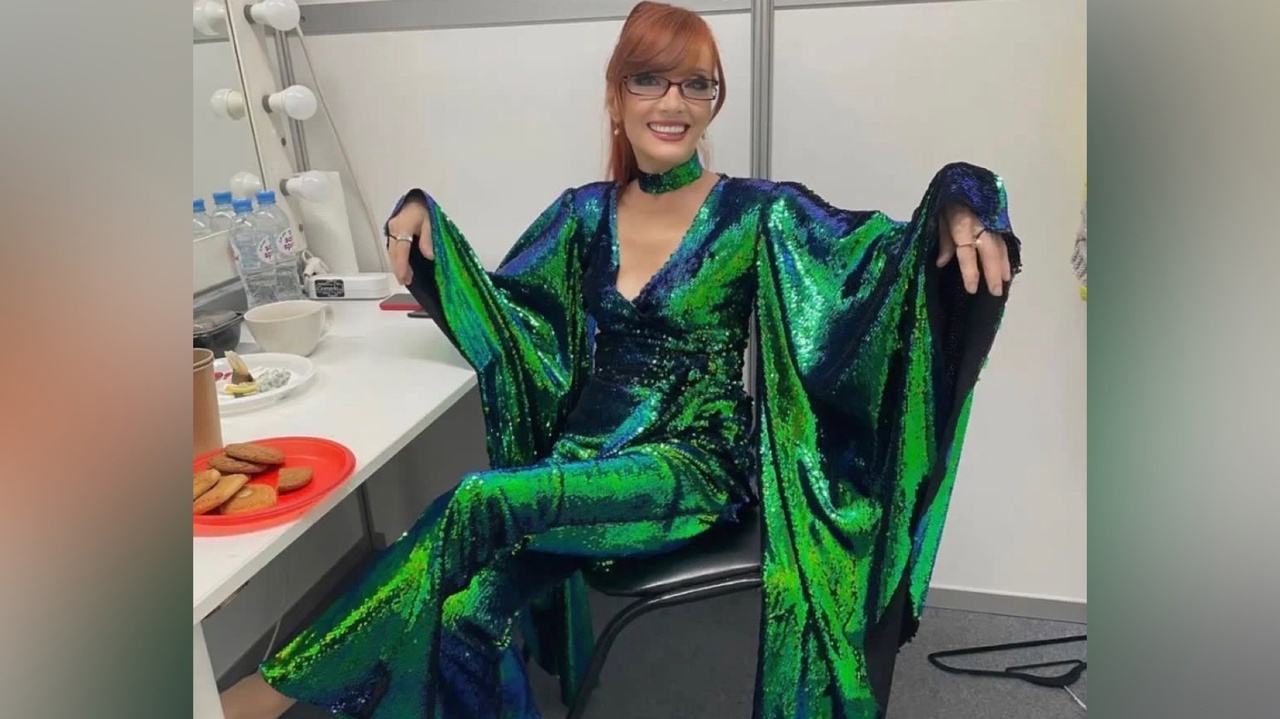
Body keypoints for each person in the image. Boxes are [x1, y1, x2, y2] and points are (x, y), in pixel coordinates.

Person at [219, 2, 1021, 718]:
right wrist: (422, 218)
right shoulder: (582, 215)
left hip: (692, 466)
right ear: (616, 96)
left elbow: (882, 269)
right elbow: (512, 314)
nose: (673, 102)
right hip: (582, 462)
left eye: (696, 85)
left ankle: (268, 691)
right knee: (464, 613)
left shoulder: (759, 212)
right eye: (649, 80)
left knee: (475, 500)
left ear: (714, 103)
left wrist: (962, 197)